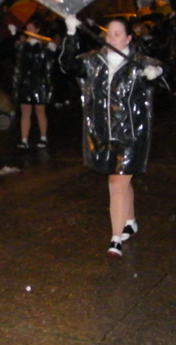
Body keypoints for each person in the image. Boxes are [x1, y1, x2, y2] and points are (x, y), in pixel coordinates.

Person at [59, 17, 164, 258]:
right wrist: (71, 33)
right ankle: (131, 220)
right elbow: (68, 65)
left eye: (119, 34)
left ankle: (115, 238)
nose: (113, 37)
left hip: (131, 134)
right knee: (121, 180)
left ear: (128, 38)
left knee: (116, 183)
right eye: (110, 34)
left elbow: (164, 78)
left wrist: (155, 72)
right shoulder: (95, 62)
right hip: (102, 133)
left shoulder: (138, 63)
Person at [13, 17, 56, 148]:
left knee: (39, 109)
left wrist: (47, 44)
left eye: (31, 28)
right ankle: (24, 139)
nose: (28, 31)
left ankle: (43, 137)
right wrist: (19, 43)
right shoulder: (23, 45)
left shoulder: (44, 44)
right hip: (26, 81)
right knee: (25, 110)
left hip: (39, 81)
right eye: (27, 29)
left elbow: (52, 53)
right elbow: (19, 60)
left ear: (37, 29)